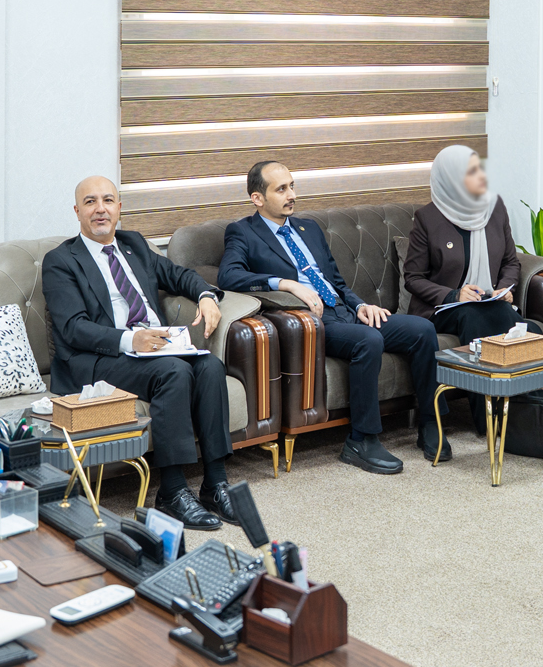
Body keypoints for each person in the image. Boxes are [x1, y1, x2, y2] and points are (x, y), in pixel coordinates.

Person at [219, 160, 447, 473]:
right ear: (257, 198)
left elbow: (336, 282)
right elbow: (229, 276)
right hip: (314, 322)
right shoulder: (243, 232)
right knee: (368, 339)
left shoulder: (308, 228)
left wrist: (360, 305)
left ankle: (431, 423)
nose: (291, 195)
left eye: (292, 186)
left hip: (345, 311)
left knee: (421, 330)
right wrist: (286, 284)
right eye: (281, 189)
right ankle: (361, 440)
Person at [40, 175, 233, 530]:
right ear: (77, 211)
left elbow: (179, 275)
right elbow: (73, 328)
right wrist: (131, 340)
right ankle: (172, 490)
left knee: (210, 366)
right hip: (98, 360)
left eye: (107, 200)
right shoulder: (61, 260)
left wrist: (206, 296)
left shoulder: (135, 245)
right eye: (90, 202)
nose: (100, 209)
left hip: (155, 349)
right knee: (174, 372)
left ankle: (216, 483)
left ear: (119, 207)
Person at [404, 145, 527, 346]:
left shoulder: (495, 209)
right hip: (443, 308)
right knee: (472, 314)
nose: (481, 175)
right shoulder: (427, 219)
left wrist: (503, 289)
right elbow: (413, 278)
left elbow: (510, 262)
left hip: (489, 302)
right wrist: (454, 295)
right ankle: (481, 367)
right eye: (472, 171)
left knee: (510, 317)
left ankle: (519, 365)